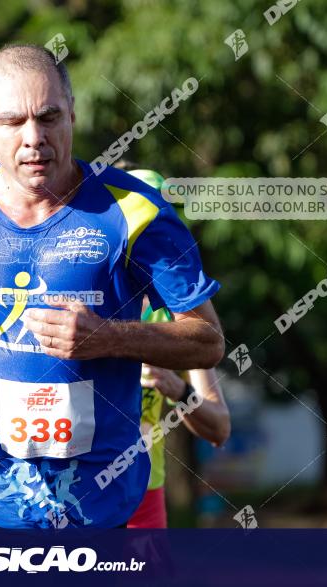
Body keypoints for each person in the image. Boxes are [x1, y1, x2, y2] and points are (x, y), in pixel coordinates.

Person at [0, 44, 223, 528]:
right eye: (12, 122)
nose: (34, 139)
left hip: (101, 501)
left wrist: (109, 338)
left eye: (49, 117)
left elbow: (209, 341)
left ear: (72, 115)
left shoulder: (135, 210)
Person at [121, 167, 231, 528]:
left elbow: (219, 427)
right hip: (78, 492)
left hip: (144, 493)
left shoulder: (179, 319)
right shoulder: (84, 304)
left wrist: (177, 388)